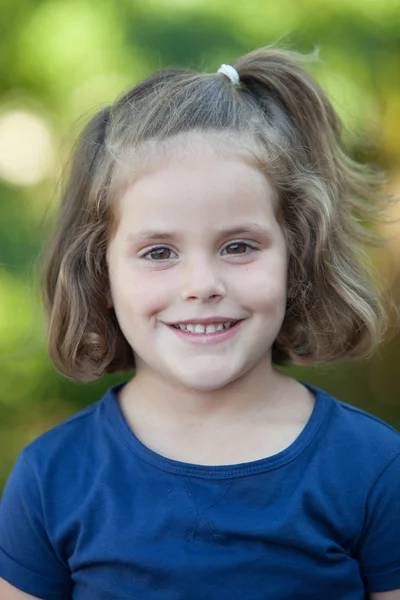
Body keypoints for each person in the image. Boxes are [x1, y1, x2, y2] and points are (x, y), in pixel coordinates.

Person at [0, 46, 399, 600]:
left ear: (296, 258)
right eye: (159, 252)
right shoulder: (51, 477)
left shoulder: (375, 468)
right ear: (100, 273)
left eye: (238, 246)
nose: (202, 284)